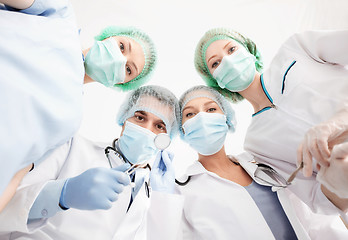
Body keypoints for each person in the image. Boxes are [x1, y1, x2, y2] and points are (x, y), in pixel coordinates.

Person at [0, 0, 157, 211]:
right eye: (121, 46)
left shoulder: (70, 120)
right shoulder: (59, 17)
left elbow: (15, 175)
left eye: (128, 69)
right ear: (108, 36)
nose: (120, 59)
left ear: (120, 84)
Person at [193, 28, 348, 213]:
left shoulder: (296, 49)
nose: (228, 61)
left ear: (249, 50)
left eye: (232, 49)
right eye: (216, 63)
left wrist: (339, 120)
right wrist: (337, 179)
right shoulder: (256, 143)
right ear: (217, 83)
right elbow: (319, 199)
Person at [0, 85, 183, 240]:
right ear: (124, 119)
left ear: (167, 139)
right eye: (140, 117)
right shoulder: (71, 146)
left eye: (159, 126)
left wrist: (165, 199)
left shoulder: (154, 192)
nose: (146, 129)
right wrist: (62, 194)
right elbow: (7, 203)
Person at [175, 85, 348, 239]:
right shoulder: (182, 192)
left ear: (226, 117)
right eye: (190, 114)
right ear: (182, 130)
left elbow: (314, 220)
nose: (201, 118)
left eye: (211, 109)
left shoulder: (263, 162)